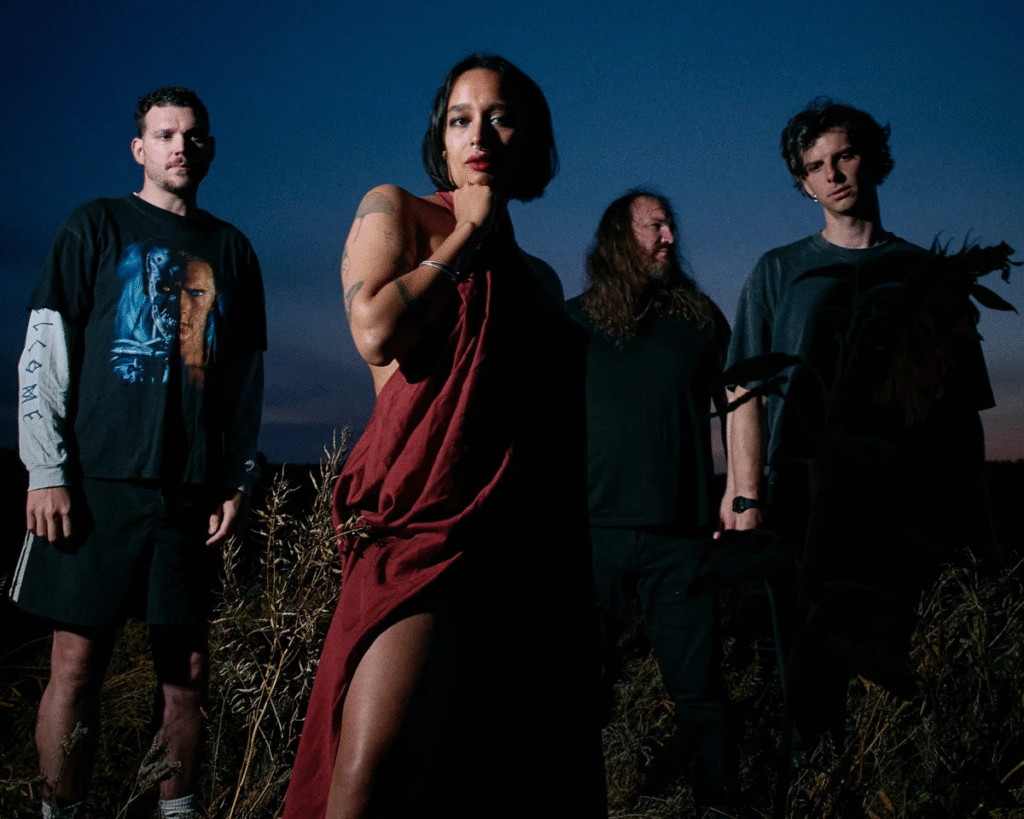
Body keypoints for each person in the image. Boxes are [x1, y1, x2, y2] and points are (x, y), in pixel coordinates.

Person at [282, 54, 604, 819]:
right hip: (421, 532)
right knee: (366, 772)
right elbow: (376, 330)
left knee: (484, 770)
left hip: (519, 540)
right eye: (460, 118)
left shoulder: (540, 281)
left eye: (500, 115)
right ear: (441, 135)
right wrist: (464, 238)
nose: (479, 133)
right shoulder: (398, 210)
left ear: (530, 137)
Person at [11, 86, 266, 819]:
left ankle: (177, 813)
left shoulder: (231, 249)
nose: (179, 147)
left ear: (208, 148)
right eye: (164, 134)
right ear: (140, 148)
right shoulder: (95, 224)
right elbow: (45, 348)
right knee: (76, 664)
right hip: (95, 484)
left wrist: (237, 477)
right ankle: (61, 811)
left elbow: (245, 378)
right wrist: (47, 468)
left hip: (187, 493)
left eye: (192, 136)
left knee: (186, 675)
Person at [721, 98, 995, 758]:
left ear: (870, 158)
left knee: (900, 667)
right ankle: (816, 787)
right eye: (815, 166)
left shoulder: (924, 274)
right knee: (808, 677)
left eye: (842, 156)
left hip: (900, 501)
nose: (833, 174)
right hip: (803, 501)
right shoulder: (779, 271)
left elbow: (960, 407)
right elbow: (743, 389)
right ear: (804, 183)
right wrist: (745, 497)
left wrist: (972, 510)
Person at [565, 190, 735, 815]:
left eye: (670, 226)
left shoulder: (699, 318)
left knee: (699, 688)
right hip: (590, 533)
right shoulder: (573, 323)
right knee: (580, 687)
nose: (669, 236)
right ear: (618, 238)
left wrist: (741, 492)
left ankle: (718, 805)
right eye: (654, 226)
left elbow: (738, 401)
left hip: (682, 535)